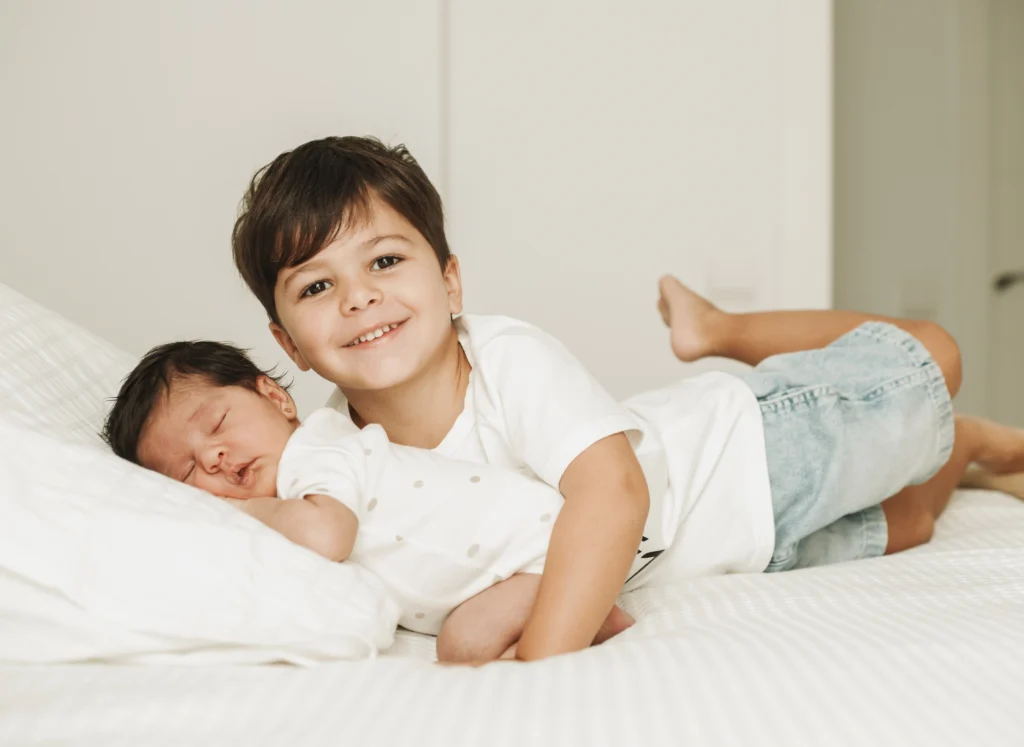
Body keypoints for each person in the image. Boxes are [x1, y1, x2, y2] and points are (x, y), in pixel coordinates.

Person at [231, 135, 1024, 661]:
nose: (360, 299)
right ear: (290, 343)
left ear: (449, 280)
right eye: (319, 284)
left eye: (386, 261)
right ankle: (978, 447)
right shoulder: (339, 460)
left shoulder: (504, 357)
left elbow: (611, 493)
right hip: (727, 554)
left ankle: (720, 327)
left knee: (932, 359)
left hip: (746, 453)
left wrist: (544, 656)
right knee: (911, 519)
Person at [101, 341, 635, 664]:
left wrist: (230, 509)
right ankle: (593, 619)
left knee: (463, 645)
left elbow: (327, 535)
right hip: (511, 570)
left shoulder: (316, 450)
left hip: (538, 547)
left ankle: (592, 617)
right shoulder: (290, 498)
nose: (214, 457)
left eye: (216, 425)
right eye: (188, 471)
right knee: (464, 643)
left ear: (275, 397)